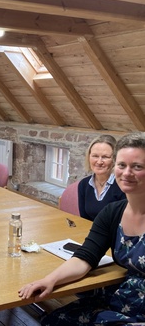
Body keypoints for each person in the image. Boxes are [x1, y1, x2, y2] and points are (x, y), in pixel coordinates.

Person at [18, 132, 145, 325]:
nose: (127, 173)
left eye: (137, 166)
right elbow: (86, 256)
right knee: (51, 321)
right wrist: (50, 279)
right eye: (122, 165)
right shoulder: (112, 212)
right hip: (121, 298)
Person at [78, 134, 126, 221]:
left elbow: (123, 223)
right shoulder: (83, 184)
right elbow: (84, 219)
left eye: (105, 157)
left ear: (115, 159)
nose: (99, 162)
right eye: (95, 156)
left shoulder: (123, 186)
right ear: (89, 157)